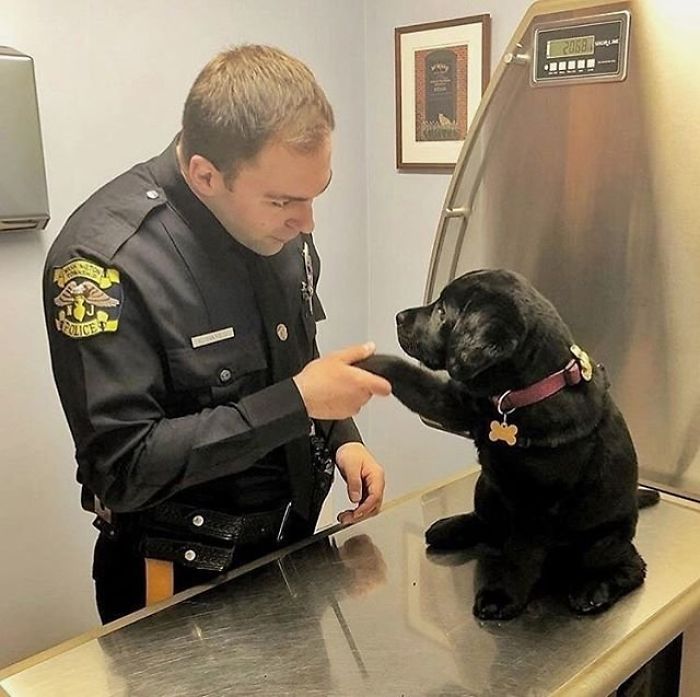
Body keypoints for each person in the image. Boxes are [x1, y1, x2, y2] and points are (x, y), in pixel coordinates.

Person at [42, 44, 391, 624]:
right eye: (283, 201)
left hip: (292, 555)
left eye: (315, 194)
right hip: (180, 584)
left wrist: (340, 435)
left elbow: (292, 365)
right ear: (205, 174)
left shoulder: (281, 228)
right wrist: (300, 402)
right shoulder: (106, 261)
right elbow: (124, 469)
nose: (307, 223)